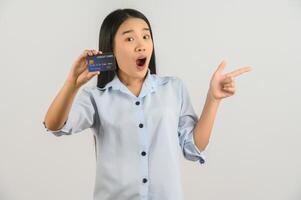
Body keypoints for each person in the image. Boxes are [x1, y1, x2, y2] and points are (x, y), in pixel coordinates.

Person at [43, 8, 252, 200]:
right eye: (129, 38)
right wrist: (72, 84)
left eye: (146, 36)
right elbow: (54, 125)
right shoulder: (96, 98)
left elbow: (194, 146)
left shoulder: (173, 88)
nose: (141, 44)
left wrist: (213, 99)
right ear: (111, 49)